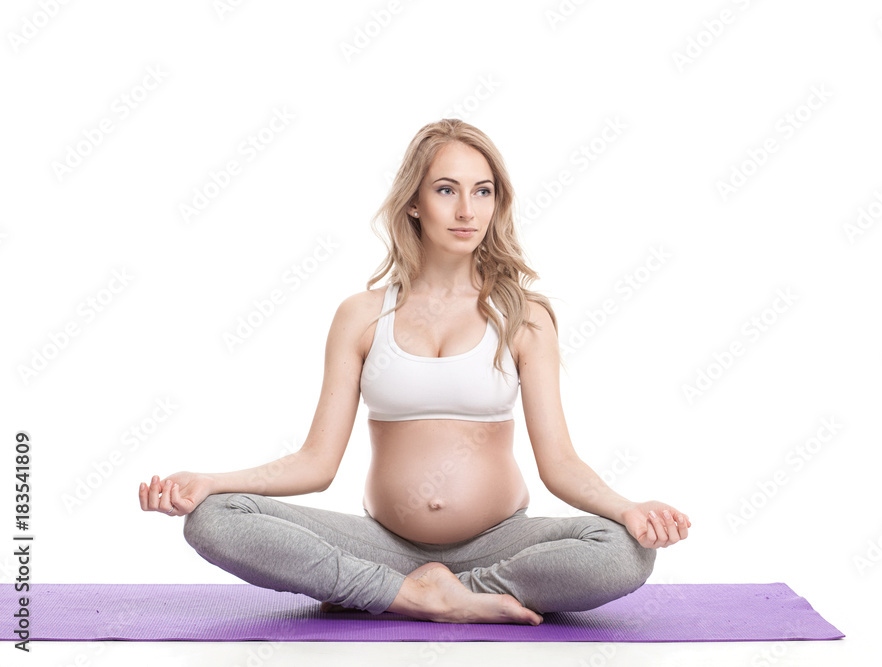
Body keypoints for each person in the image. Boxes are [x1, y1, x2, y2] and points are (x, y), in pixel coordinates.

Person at [138, 118, 691, 625]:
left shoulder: (524, 316)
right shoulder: (360, 315)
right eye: (447, 190)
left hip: (499, 541)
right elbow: (316, 462)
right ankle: (408, 590)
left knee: (623, 553)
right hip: (383, 543)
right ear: (414, 204)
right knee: (213, 519)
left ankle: (409, 592)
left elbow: (560, 463)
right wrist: (213, 482)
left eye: (483, 191)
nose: (467, 211)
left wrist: (628, 508)